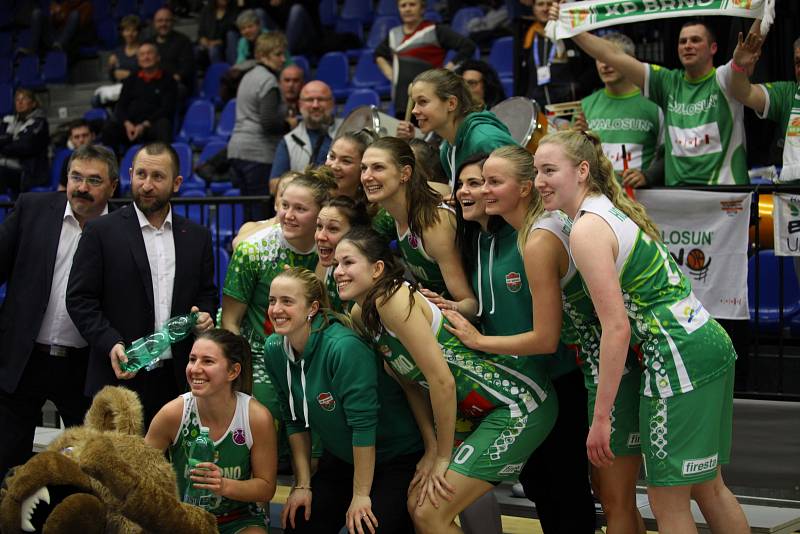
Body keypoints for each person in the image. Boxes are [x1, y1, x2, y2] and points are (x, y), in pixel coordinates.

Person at [533, 129, 748, 533]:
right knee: (710, 487)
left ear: (582, 171)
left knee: (668, 501)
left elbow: (616, 329)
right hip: (705, 342)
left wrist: (600, 419)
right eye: (535, 171)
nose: (539, 181)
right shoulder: (604, 208)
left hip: (677, 355)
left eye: (549, 170)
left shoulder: (586, 229)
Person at [333, 227, 557, 534]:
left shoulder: (393, 298)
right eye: (335, 264)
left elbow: (442, 382)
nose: (338, 272)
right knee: (417, 503)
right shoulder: (363, 314)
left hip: (517, 404)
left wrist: (442, 457)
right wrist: (431, 446)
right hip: (479, 412)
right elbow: (412, 384)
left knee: (428, 512)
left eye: (347, 262)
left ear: (377, 269)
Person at [442, 148, 608, 533]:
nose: (478, 191)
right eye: (469, 183)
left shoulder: (538, 236)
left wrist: (478, 342)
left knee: (568, 488)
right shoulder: (482, 241)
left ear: (525, 188)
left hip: (562, 378)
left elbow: (547, 337)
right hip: (520, 383)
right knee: (541, 487)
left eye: (488, 181)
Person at [264, 268, 424, 533]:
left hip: (395, 456)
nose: (276, 309)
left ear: (312, 308)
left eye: (287, 301)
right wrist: (302, 485)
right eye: (272, 300)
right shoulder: (274, 350)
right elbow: (294, 421)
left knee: (365, 527)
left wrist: (360, 495)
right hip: (343, 457)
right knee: (300, 521)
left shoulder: (342, 347)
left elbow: (363, 426)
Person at [66, 142, 217, 424]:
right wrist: (110, 342)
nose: (146, 185)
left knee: (170, 468)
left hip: (178, 379)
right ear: (131, 174)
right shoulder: (101, 231)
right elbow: (79, 299)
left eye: (157, 177)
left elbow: (206, 294)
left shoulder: (197, 236)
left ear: (177, 183)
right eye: (141, 175)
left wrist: (204, 316)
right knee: (113, 466)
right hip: (118, 376)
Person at [0, 144, 118, 479]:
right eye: (76, 177)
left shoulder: (123, 228)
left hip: (84, 367)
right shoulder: (32, 209)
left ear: (112, 186)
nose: (81, 187)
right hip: (22, 359)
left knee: (90, 467)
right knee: (8, 461)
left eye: (94, 180)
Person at [552, 5, 748, 186]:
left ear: (713, 48)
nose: (688, 45)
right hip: (650, 197)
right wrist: (570, 26)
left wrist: (647, 176)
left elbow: (663, 155)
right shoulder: (587, 104)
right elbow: (572, 158)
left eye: (695, 40)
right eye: (682, 41)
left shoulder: (659, 98)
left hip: (721, 195)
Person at [222, 169, 333, 464]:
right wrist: (237, 372)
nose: (289, 215)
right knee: (265, 414)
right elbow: (230, 322)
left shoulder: (334, 251)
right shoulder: (252, 251)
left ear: (321, 213)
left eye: (300, 208)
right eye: (285, 205)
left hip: (316, 353)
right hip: (260, 354)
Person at [145, 329, 277, 533]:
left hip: (238, 519)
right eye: (192, 359)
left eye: (207, 361)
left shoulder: (256, 417)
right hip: (184, 518)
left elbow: (266, 488)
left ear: (233, 372)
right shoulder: (173, 413)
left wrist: (223, 485)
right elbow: (140, 471)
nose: (195, 369)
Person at [361, 137, 478, 318]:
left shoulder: (433, 224)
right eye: (364, 168)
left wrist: (443, 306)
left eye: (378, 167)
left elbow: (470, 305)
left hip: (467, 326)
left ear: (405, 174)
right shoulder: (397, 214)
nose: (367, 176)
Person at [573, 32, 664, 189]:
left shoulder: (655, 104)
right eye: (599, 58)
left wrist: (647, 176)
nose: (604, 65)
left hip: (638, 201)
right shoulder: (585, 105)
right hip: (593, 197)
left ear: (630, 60)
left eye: (609, 58)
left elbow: (669, 155)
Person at [406, 69, 517, 190]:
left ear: (451, 104)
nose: (414, 110)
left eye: (423, 102)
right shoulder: (446, 149)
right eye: (414, 103)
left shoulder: (486, 140)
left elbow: (523, 190)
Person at [374, 0, 477, 117]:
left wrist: (446, 71)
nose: (407, 9)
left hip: (429, 100)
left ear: (422, 8)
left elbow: (468, 47)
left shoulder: (434, 30)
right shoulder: (393, 34)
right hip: (401, 101)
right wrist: (393, 76)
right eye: (403, 6)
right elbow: (378, 54)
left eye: (412, 4)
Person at [228, 32, 290, 221]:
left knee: (249, 214)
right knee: (260, 216)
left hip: (237, 151)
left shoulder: (248, 76)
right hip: (258, 154)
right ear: (263, 55)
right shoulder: (268, 81)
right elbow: (268, 122)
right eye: (278, 54)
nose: (283, 59)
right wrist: (290, 123)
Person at [728, 27, 799, 181]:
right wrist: (739, 66)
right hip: (792, 197)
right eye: (798, 62)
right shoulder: (787, 94)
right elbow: (743, 93)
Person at [100, 43, 178, 153]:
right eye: (142, 54)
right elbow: (121, 106)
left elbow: (167, 109)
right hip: (130, 128)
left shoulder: (168, 80)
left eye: (149, 53)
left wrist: (144, 125)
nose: (146, 57)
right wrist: (127, 124)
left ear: (158, 57)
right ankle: (114, 166)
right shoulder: (130, 80)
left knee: (164, 125)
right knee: (109, 128)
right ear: (138, 60)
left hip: (152, 125)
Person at [520, 0, 594, 106]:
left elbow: (591, 67)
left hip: (570, 106)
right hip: (538, 107)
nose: (545, 9)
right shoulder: (527, 36)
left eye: (549, 4)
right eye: (540, 4)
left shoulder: (572, 33)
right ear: (534, 8)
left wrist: (577, 88)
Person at [270, 81, 341, 186]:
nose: (315, 105)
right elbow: (274, 184)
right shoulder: (289, 141)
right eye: (309, 100)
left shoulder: (348, 131)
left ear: (332, 103)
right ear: (300, 105)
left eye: (321, 99)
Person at [314, 196, 371, 313]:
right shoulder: (325, 267)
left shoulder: (368, 275)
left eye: (333, 229)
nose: (320, 236)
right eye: (319, 226)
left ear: (356, 234)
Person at [0, 88, 49, 195]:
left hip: (27, 172)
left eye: (24, 98)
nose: (20, 102)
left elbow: (25, 147)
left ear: (33, 103)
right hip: (6, 165)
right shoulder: (8, 121)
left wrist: (4, 145)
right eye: (17, 99)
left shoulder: (39, 122)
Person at [146, 7, 196, 101]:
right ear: (154, 23)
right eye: (160, 21)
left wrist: (166, 81)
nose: (163, 24)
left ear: (173, 22)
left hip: (175, 85)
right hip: (152, 83)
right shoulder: (148, 43)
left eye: (167, 20)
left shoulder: (183, 41)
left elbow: (186, 69)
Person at [325, 129, 378, 200]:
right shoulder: (310, 196)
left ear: (364, 168)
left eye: (346, 161)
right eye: (332, 157)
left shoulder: (374, 209)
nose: (334, 166)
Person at [196, 0, 239, 69]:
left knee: (213, 50)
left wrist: (218, 42)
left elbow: (234, 31)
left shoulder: (234, 11)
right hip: (207, 43)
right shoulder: (206, 10)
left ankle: (221, 73)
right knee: (195, 50)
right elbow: (201, 30)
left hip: (224, 45)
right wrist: (202, 39)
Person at [58, 119, 96, 190]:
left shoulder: (104, 159)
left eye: (85, 135)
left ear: (93, 136)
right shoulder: (68, 160)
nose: (81, 140)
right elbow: (62, 188)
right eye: (76, 137)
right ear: (71, 140)